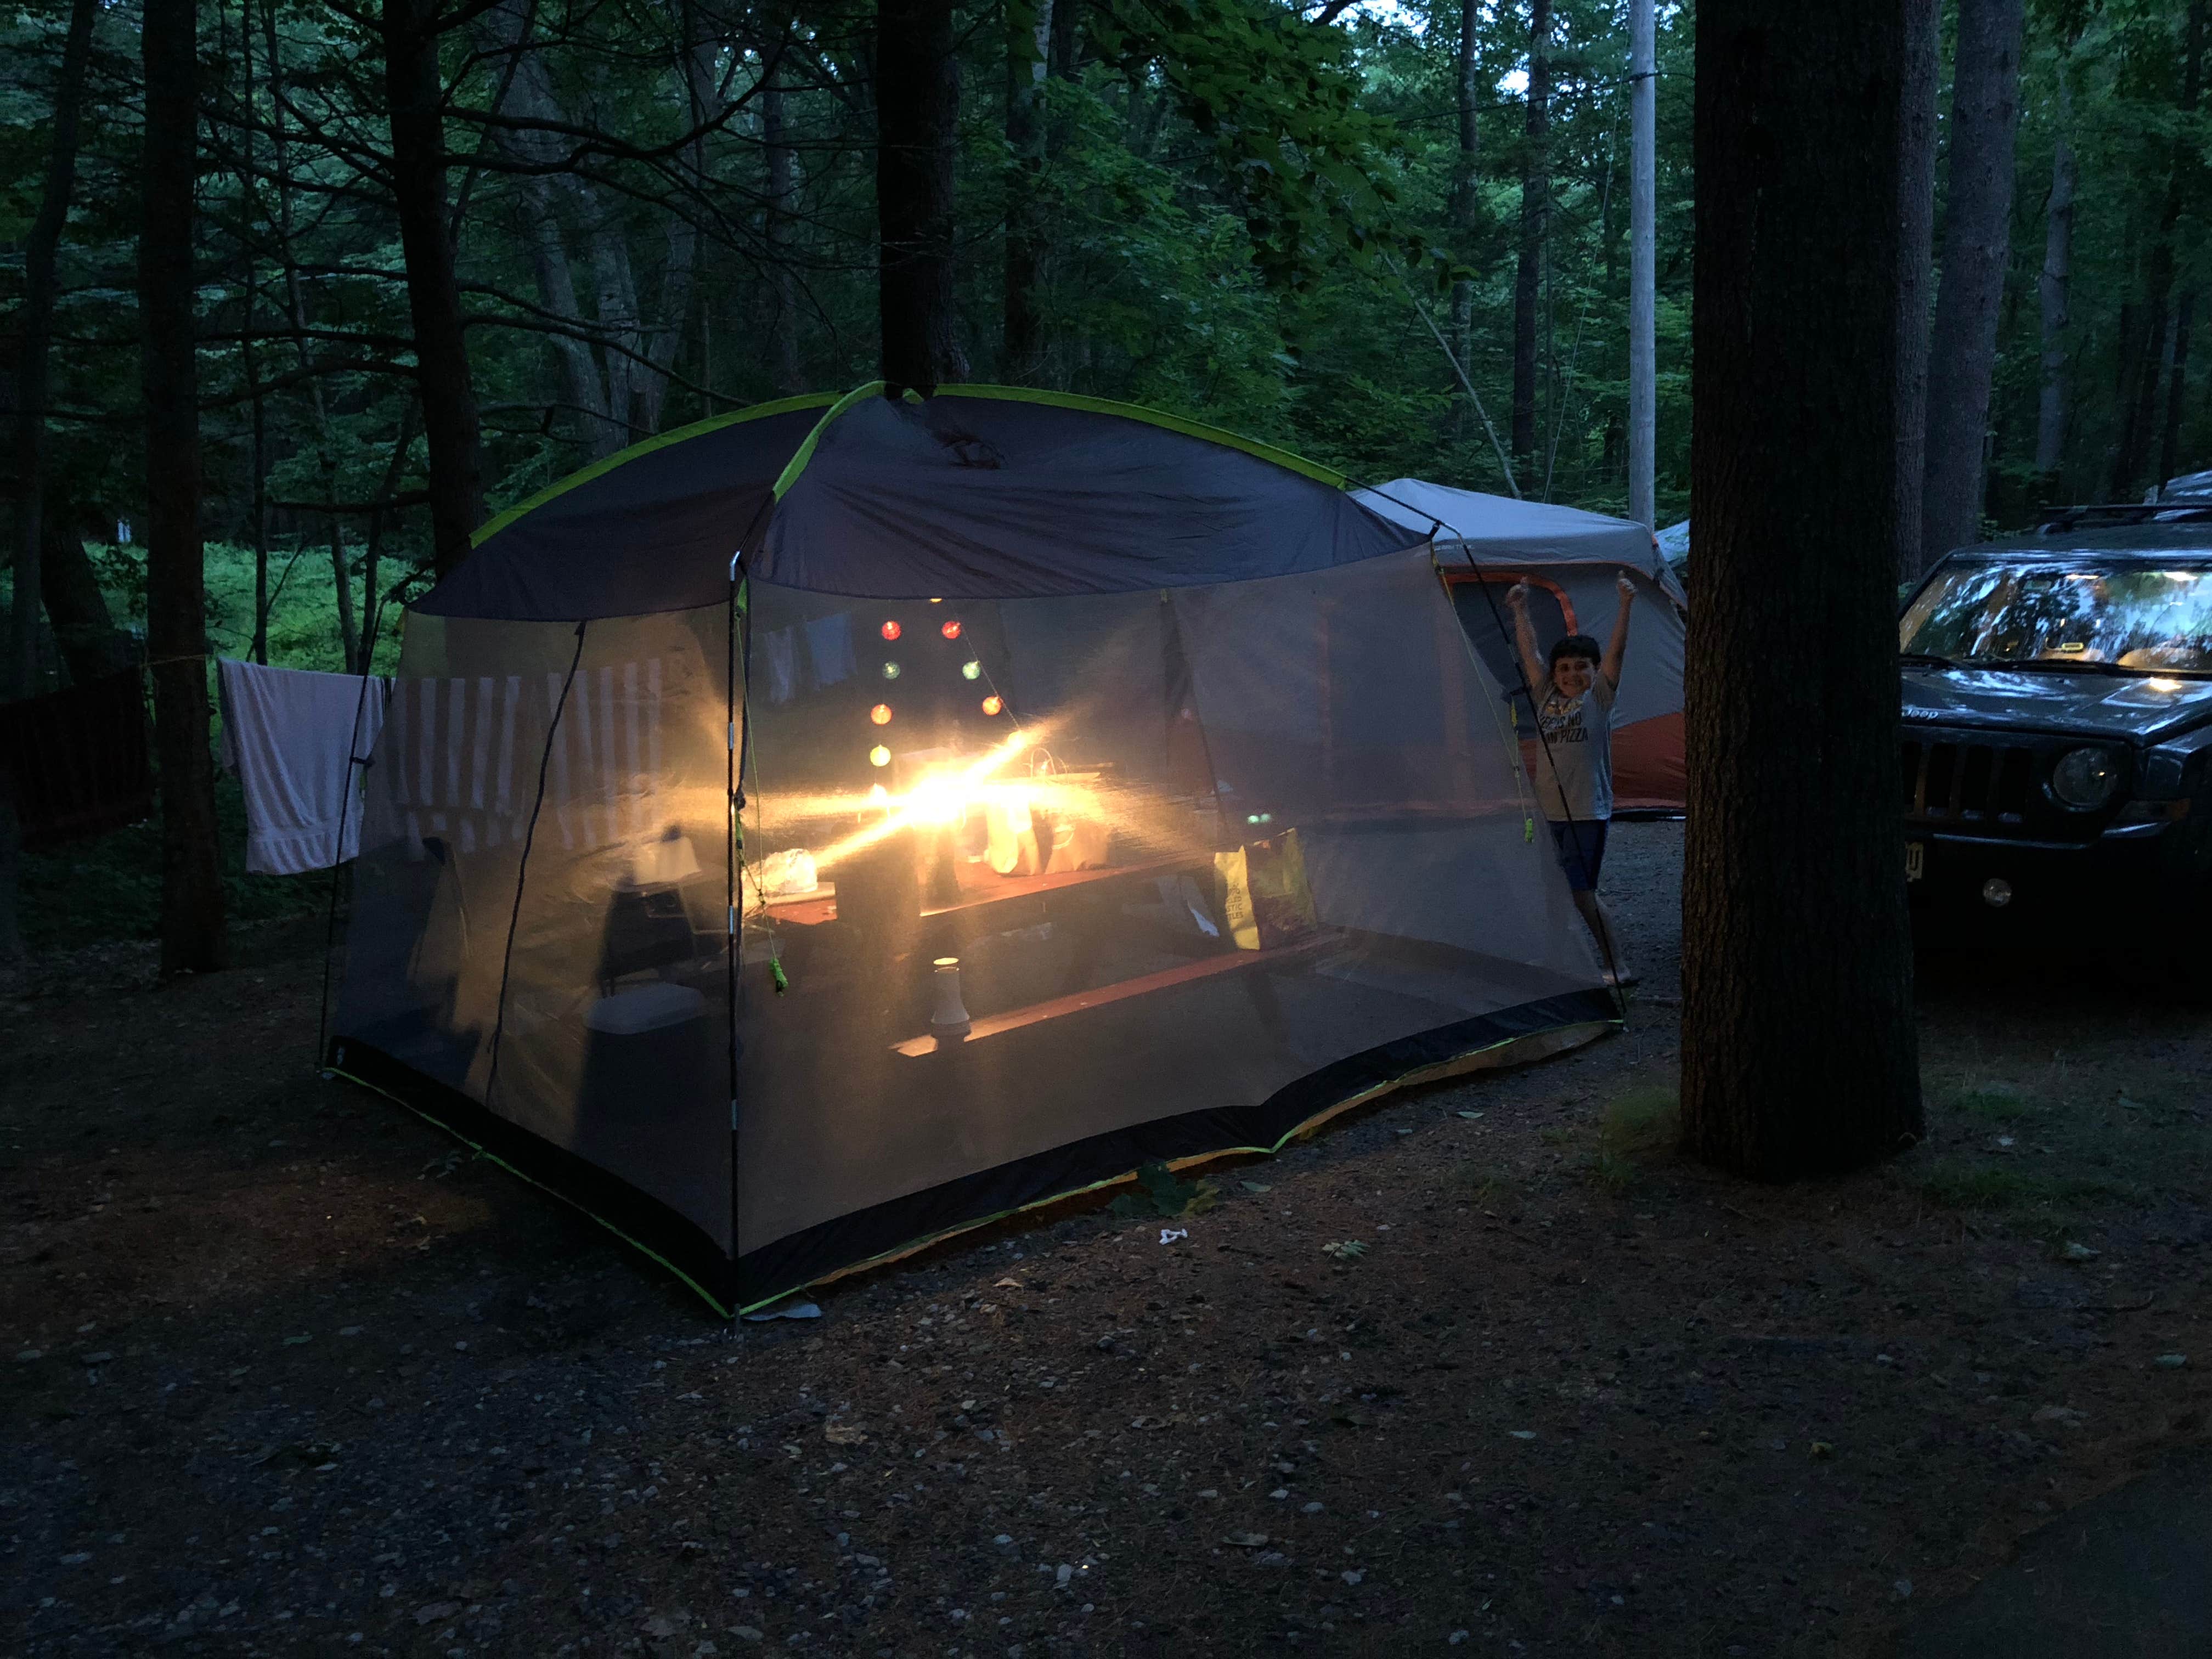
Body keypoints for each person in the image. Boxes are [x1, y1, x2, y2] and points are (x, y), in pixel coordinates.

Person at [1504, 573, 1636, 986]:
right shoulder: (1546, 698)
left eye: (1582, 667)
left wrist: (1625, 605)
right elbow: (1531, 654)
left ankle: (1617, 965)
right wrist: (1519, 609)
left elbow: (1618, 652)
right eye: (1564, 668)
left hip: (1585, 812)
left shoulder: (1598, 699)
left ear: (1595, 672)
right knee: (1555, 895)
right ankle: (1559, 962)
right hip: (1550, 813)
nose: (1571, 674)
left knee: (1582, 894)